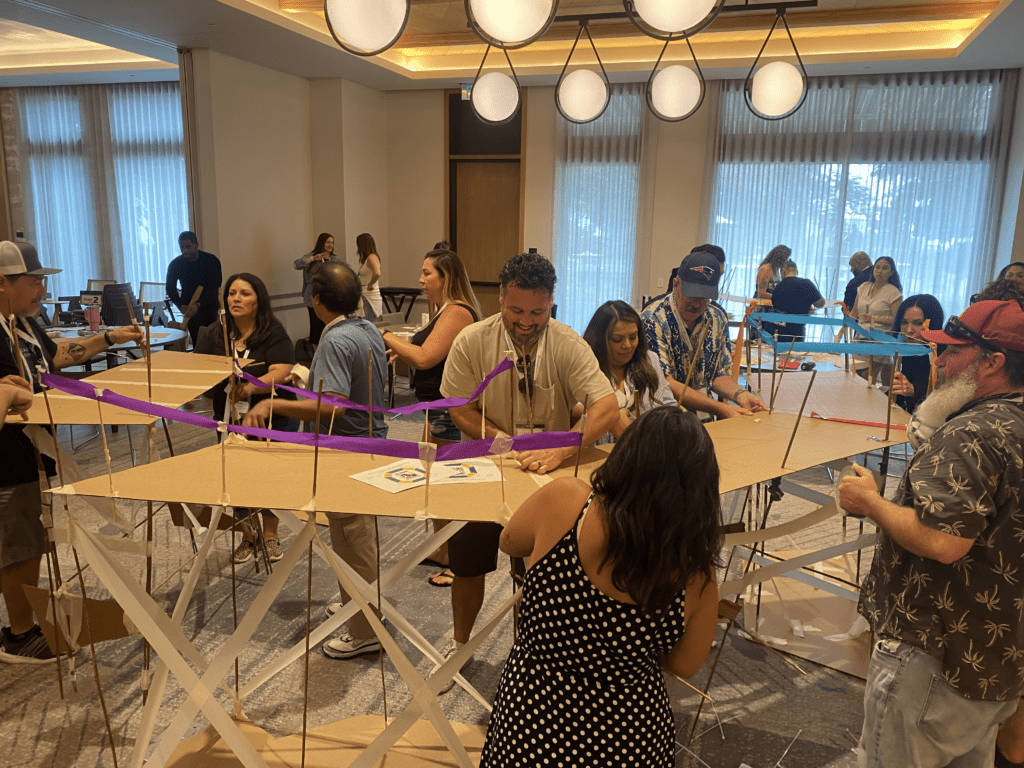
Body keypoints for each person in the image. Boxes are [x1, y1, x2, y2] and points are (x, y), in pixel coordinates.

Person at [480, 406, 721, 767]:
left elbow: (509, 541)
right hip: (627, 734)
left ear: (627, 455)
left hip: (530, 718)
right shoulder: (695, 575)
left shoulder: (565, 500)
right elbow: (684, 665)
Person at [840, 299, 1024, 768]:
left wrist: (871, 503)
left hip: (936, 657)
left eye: (953, 352)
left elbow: (944, 541)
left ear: (992, 361)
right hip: (998, 658)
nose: (939, 361)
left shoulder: (974, 432)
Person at [439, 251, 618, 689]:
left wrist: (559, 447)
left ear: (551, 303)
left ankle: (528, 658)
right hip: (486, 467)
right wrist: (500, 439)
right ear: (500, 297)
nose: (526, 321)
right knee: (467, 563)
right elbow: (459, 406)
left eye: (537, 312)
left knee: (539, 575)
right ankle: (459, 646)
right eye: (516, 310)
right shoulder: (472, 341)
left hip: (547, 476)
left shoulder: (568, 343)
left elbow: (607, 406)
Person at [0, 240, 142, 663]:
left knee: (30, 540)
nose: (41, 291)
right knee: (17, 546)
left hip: (35, 454)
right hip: (8, 463)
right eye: (33, 282)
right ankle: (20, 634)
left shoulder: (23, 323)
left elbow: (57, 357)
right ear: (2, 283)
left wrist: (108, 337)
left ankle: (26, 620)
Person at [244, 262, 387, 660]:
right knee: (356, 536)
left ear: (316, 299)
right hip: (370, 442)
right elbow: (352, 387)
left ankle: (365, 629)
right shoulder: (367, 329)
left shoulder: (336, 340)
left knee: (352, 537)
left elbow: (337, 408)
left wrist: (276, 401)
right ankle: (363, 607)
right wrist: (306, 381)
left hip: (348, 450)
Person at [381, 247, 480, 586]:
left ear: (446, 277)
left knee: (450, 487)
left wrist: (388, 336)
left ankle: (460, 560)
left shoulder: (457, 312)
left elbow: (424, 358)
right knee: (433, 484)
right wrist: (400, 347)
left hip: (450, 412)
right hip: (435, 410)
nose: (420, 280)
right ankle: (444, 550)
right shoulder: (445, 311)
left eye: (427, 273)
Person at [195, 273, 298, 564]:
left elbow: (282, 370)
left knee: (270, 478)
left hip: (272, 417)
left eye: (244, 294)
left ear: (258, 300)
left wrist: (250, 386)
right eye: (231, 293)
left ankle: (270, 534)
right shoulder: (214, 334)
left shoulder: (273, 332)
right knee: (236, 477)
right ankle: (247, 535)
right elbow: (199, 371)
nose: (236, 298)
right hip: (228, 418)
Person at [642, 250, 767, 418]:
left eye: (704, 298)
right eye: (691, 295)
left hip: (704, 414)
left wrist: (741, 395)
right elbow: (666, 383)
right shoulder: (654, 319)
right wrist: (718, 407)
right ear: (676, 285)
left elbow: (717, 374)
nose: (696, 304)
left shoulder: (717, 317)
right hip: (666, 417)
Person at [579, 300, 674, 443]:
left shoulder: (649, 360)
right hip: (598, 455)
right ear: (600, 340)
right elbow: (571, 407)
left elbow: (668, 404)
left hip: (645, 450)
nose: (627, 345)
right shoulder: (585, 367)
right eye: (617, 339)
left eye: (633, 337)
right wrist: (610, 416)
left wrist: (679, 418)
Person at [887, 295, 944, 415]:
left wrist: (914, 390)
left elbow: (945, 396)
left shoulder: (944, 353)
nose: (909, 330)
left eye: (918, 323)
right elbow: (901, 393)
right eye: (904, 322)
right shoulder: (909, 348)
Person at [166, 231, 222, 346]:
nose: (184, 250)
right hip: (189, 309)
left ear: (196, 245)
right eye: (181, 247)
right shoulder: (176, 264)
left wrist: (199, 304)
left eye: (188, 246)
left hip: (209, 305)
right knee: (199, 341)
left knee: (213, 340)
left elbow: (214, 287)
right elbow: (170, 288)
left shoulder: (211, 261)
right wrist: (180, 304)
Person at [853, 256, 903, 384]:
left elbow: (897, 320)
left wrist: (874, 319)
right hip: (860, 337)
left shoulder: (894, 292)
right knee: (855, 374)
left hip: (880, 339)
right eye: (877, 267)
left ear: (891, 272)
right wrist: (843, 326)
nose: (880, 271)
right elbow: (854, 313)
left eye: (885, 268)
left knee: (868, 377)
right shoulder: (863, 287)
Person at [294, 232, 341, 345]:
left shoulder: (335, 259)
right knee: (316, 326)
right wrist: (313, 259)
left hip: (330, 296)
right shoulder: (311, 256)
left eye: (332, 243)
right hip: (313, 297)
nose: (330, 245)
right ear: (321, 243)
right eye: (328, 242)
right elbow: (296, 265)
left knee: (329, 325)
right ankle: (315, 353)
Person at [766, 260, 825, 342]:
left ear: (783, 271)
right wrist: (808, 306)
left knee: (778, 353)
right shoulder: (807, 284)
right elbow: (820, 303)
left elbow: (776, 305)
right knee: (796, 353)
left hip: (779, 332)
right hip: (798, 332)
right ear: (797, 271)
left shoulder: (778, 287)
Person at [356, 232, 382, 318]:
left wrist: (370, 285)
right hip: (364, 294)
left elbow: (377, 273)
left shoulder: (372, 257)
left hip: (369, 296)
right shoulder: (367, 258)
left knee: (367, 323)